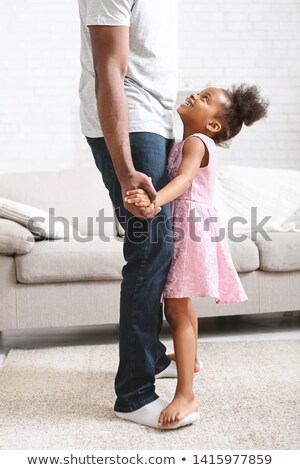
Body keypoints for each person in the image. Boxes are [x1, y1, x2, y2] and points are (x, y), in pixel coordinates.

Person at [78, 1, 200, 429]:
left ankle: (148, 356)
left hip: (156, 120)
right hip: (132, 120)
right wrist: (128, 170)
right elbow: (109, 68)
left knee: (158, 246)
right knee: (150, 246)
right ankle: (133, 395)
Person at [125, 84, 269, 428]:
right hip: (194, 225)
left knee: (175, 308)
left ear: (214, 126)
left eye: (205, 99)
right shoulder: (191, 141)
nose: (194, 96)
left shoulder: (195, 142)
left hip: (189, 227)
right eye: (199, 92)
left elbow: (186, 180)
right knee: (182, 306)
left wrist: (155, 200)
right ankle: (191, 360)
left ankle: (186, 394)